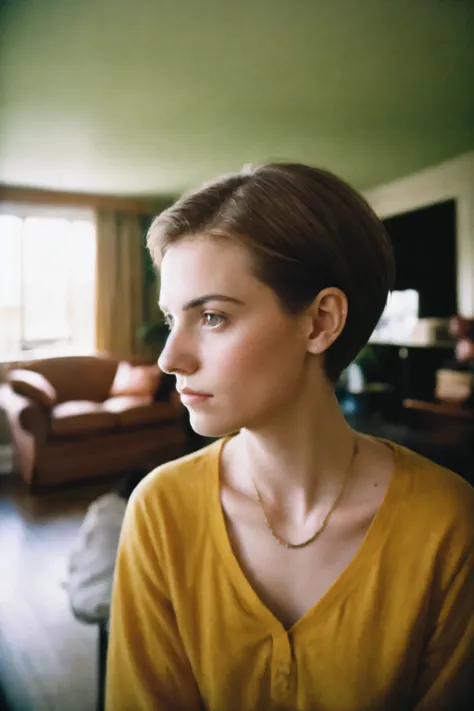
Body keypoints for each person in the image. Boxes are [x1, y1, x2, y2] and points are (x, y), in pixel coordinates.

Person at [105, 163, 474, 711]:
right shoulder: (160, 511)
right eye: (170, 319)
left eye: (211, 317)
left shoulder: (448, 523)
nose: (168, 358)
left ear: (321, 322)